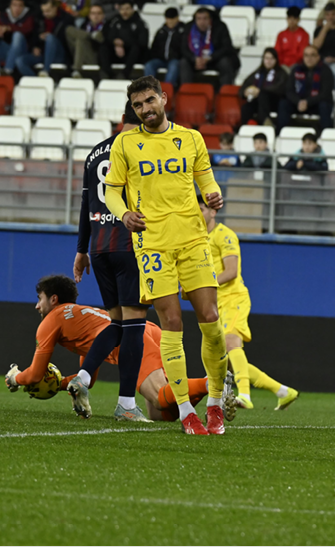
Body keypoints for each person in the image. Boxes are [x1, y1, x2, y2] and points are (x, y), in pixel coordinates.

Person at [104, 75, 230, 436]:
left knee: (210, 317)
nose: (145, 109)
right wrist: (123, 213)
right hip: (153, 244)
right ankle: (188, 412)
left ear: (163, 98)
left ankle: (217, 403)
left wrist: (214, 195)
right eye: (138, 105)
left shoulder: (191, 138)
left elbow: (206, 181)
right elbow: (112, 191)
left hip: (192, 240)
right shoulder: (125, 144)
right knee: (171, 322)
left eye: (149, 100)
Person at [3, 275, 231, 423]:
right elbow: (88, 379)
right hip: (147, 330)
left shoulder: (50, 322)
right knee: (162, 413)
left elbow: (34, 374)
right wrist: (61, 383)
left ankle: (214, 384)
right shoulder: (80, 316)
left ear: (53, 300)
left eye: (39, 299)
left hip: (133, 338)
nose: (36, 306)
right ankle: (206, 390)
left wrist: (15, 378)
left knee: (161, 398)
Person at [69, 101, 152, 422]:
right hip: (130, 246)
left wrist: (81, 249)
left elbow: (85, 201)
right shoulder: (140, 149)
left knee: (117, 324)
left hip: (100, 249)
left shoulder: (95, 153)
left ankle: (84, 377)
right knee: (135, 327)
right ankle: (126, 405)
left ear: (120, 120)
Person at [198, 196, 300, 411]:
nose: (198, 213)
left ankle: (244, 395)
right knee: (228, 358)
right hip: (214, 303)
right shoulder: (195, 239)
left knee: (230, 343)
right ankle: (282, 391)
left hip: (234, 298)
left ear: (213, 212)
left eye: (201, 209)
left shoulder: (224, 235)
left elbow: (231, 271)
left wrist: (202, 285)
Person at [277, 45, 335, 134]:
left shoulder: (325, 71)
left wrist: (307, 102)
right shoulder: (296, 69)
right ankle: (281, 134)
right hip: (299, 103)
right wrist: (299, 102)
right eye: (306, 55)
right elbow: (289, 90)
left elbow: (325, 93)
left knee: (324, 105)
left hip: (316, 104)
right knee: (283, 104)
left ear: (318, 57)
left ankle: (327, 135)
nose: (309, 58)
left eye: (312, 55)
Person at [180, 7, 239, 88]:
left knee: (225, 63)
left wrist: (210, 58)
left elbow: (226, 47)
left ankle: (226, 91)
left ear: (210, 19)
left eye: (205, 18)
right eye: (199, 19)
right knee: (184, 62)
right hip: (195, 60)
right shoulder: (189, 28)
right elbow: (183, 48)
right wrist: (194, 58)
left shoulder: (220, 27)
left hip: (214, 59)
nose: (202, 22)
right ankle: (186, 92)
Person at [16, 0, 73, 76]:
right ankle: (37, 82)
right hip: (42, 53)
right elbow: (33, 36)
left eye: (48, 11)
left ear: (55, 8)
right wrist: (35, 47)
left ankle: (46, 70)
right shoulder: (39, 18)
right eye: (43, 11)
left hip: (59, 54)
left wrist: (51, 37)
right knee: (20, 61)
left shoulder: (66, 19)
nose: (45, 14)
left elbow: (69, 42)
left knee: (50, 38)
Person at [98, 0, 147, 80]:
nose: (124, 11)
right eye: (122, 9)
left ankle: (124, 74)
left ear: (132, 9)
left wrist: (123, 43)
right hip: (116, 52)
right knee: (103, 47)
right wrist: (115, 42)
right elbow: (107, 36)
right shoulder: (114, 21)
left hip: (132, 55)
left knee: (136, 48)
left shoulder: (140, 23)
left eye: (127, 9)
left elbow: (143, 42)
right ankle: (107, 73)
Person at [0, 0, 34, 76]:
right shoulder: (4, 15)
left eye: (20, 5)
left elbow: (27, 29)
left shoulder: (28, 16)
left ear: (23, 7)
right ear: (10, 6)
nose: (17, 8)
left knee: (17, 35)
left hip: (21, 51)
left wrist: (8, 28)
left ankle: (8, 69)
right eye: (14, 5)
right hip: (6, 50)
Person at [239, 47, 287, 127]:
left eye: (272, 59)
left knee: (263, 94)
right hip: (258, 101)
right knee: (246, 108)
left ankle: (265, 122)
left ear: (276, 60)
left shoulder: (281, 73)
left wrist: (260, 91)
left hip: (274, 102)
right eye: (266, 58)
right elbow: (245, 85)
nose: (269, 61)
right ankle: (245, 128)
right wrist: (245, 92)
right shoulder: (259, 72)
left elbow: (280, 88)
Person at [143, 7, 184, 88]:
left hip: (175, 59)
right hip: (160, 59)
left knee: (174, 66)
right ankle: (150, 88)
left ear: (177, 18)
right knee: (149, 65)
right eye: (168, 18)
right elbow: (154, 46)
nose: (170, 21)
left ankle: (166, 89)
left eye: (172, 18)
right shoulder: (161, 31)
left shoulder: (183, 30)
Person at [64, 3, 104, 76]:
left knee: (82, 39)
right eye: (93, 13)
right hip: (79, 53)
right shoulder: (84, 26)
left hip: (96, 57)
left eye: (99, 13)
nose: (96, 16)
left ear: (103, 15)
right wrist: (91, 36)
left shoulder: (106, 27)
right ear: (89, 15)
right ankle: (91, 35)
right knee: (68, 29)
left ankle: (77, 70)